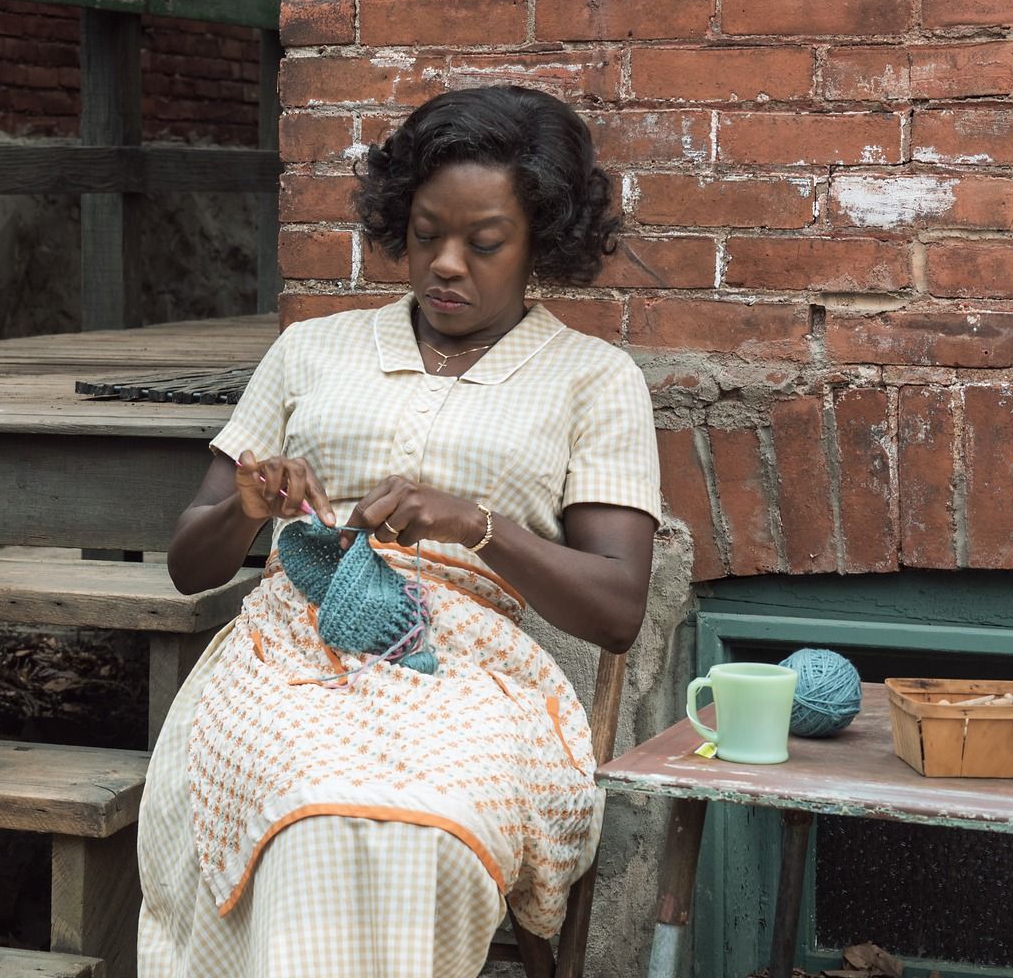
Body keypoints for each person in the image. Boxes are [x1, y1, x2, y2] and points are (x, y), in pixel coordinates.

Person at [136, 85, 661, 977]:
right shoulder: (312, 350)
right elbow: (190, 565)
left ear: (542, 240)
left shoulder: (592, 379)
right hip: (285, 660)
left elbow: (617, 610)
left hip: (466, 678)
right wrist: (248, 509)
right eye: (425, 234)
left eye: (483, 242)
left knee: (418, 826)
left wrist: (477, 526)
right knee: (314, 803)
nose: (446, 264)